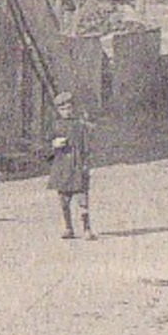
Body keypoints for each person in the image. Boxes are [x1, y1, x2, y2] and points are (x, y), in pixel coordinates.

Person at [46, 92, 95, 241]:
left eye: (69, 108)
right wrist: (53, 145)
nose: (67, 111)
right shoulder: (55, 125)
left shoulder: (80, 125)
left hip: (77, 165)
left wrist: (86, 163)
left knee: (82, 199)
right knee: (64, 200)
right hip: (61, 166)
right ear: (58, 111)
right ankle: (68, 228)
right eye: (63, 109)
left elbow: (87, 146)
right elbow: (45, 146)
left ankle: (87, 229)